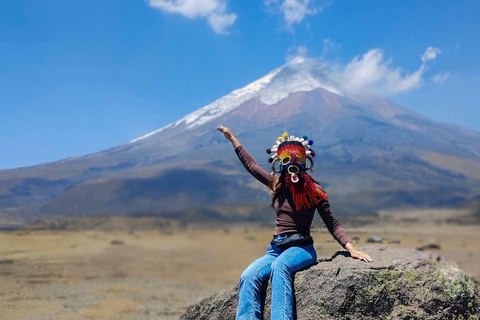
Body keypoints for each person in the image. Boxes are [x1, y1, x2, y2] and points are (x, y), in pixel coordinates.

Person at [217, 126, 373, 320]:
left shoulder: (314, 190)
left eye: (296, 161)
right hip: (275, 249)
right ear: (279, 162)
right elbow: (252, 166)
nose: (291, 165)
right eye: (286, 161)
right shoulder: (277, 183)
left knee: (279, 267)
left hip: (301, 248)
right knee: (249, 276)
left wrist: (351, 248)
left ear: (303, 161)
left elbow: (331, 222)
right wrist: (232, 138)